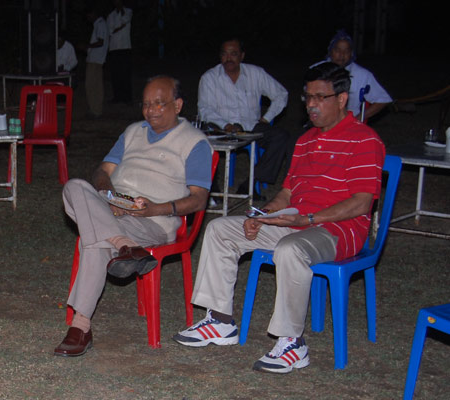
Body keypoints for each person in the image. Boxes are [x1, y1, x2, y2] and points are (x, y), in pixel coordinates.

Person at [173, 62, 385, 374]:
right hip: (299, 219)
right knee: (219, 229)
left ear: (341, 99)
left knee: (291, 249)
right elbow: (287, 193)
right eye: (308, 97)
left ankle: (293, 343)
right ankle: (219, 321)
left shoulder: (365, 140)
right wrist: (266, 214)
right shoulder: (305, 141)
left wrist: (309, 219)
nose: (311, 105)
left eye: (320, 97)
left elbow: (361, 203)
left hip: (339, 230)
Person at [55, 76, 213, 357]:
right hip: (114, 209)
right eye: (146, 104)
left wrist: (155, 208)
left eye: (159, 104)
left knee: (92, 242)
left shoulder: (195, 143)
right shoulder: (132, 132)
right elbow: (102, 172)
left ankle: (80, 326)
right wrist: (109, 197)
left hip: (154, 220)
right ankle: (125, 245)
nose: (150, 110)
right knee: (74, 186)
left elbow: (199, 199)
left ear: (177, 105)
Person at [198, 39, 291, 188]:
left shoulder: (256, 73)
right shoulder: (209, 78)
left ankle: (252, 183)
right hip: (221, 128)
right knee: (198, 139)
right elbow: (204, 109)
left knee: (282, 137)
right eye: (224, 54)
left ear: (242, 56)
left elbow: (281, 94)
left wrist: (267, 118)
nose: (229, 59)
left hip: (251, 127)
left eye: (233, 54)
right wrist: (225, 125)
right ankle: (212, 190)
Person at [321, 29, 392, 121]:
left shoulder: (362, 74)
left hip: (348, 124)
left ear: (351, 54)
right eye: (337, 50)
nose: (342, 55)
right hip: (322, 123)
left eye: (346, 51)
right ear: (330, 51)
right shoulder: (317, 70)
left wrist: (358, 119)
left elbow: (382, 99)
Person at [83, 8, 108, 118]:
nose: (88, 18)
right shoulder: (99, 24)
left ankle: (95, 110)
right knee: (95, 85)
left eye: (89, 15)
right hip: (96, 59)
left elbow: (100, 42)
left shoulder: (100, 24)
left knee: (91, 85)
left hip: (96, 60)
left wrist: (87, 46)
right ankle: (95, 109)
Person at [106, 0, 132, 103]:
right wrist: (120, 26)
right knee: (116, 74)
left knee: (125, 74)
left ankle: (127, 98)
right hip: (114, 48)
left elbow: (125, 20)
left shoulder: (128, 11)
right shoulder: (111, 15)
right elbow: (110, 30)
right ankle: (117, 97)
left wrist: (118, 27)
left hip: (125, 47)